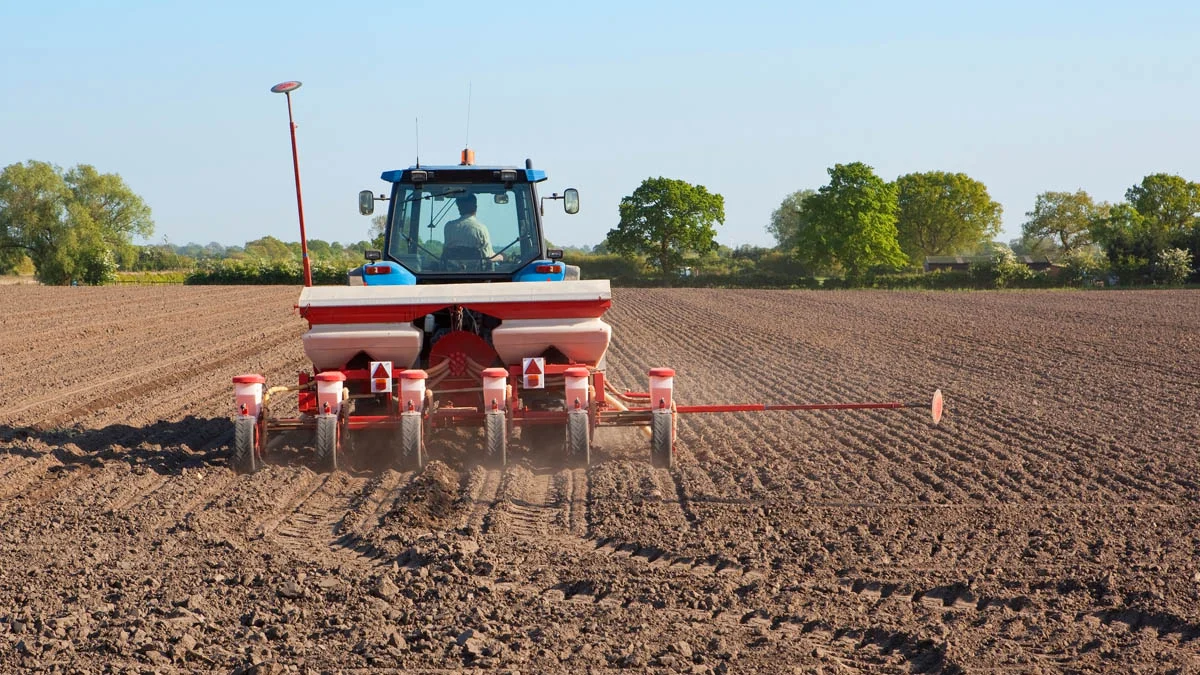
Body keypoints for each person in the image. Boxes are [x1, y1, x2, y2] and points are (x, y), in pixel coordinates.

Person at [443, 193, 498, 260]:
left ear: (459, 208)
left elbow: (446, 251)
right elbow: (489, 256)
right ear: (475, 208)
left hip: (451, 269)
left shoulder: (449, 227)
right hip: (477, 270)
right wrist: (502, 257)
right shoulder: (480, 228)